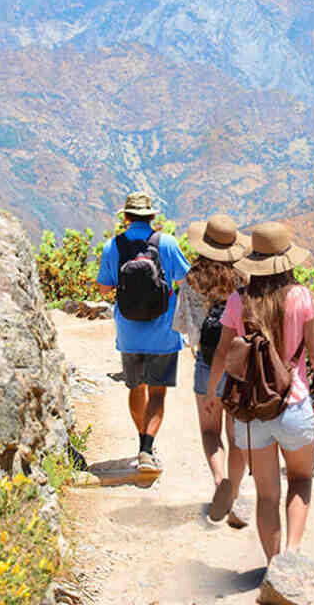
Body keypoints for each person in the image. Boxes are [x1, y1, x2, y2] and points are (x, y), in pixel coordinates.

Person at [208, 221, 314, 562]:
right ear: (287, 261)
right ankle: (291, 554)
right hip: (294, 406)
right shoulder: (302, 297)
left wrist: (214, 395)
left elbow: (223, 353)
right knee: (300, 481)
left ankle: (273, 567)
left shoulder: (238, 301)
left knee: (266, 495)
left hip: (252, 411)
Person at [96, 191, 191, 473]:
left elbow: (103, 287)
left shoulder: (112, 246)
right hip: (163, 331)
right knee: (157, 393)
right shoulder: (168, 243)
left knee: (135, 387)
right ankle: (147, 449)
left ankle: (142, 442)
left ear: (125, 217)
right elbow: (186, 279)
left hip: (129, 332)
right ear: (152, 216)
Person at [172, 214, 248, 521]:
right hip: (238, 367)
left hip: (206, 361)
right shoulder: (242, 279)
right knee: (236, 435)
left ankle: (219, 481)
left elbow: (181, 325)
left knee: (209, 430)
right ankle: (236, 493)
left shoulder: (192, 279)